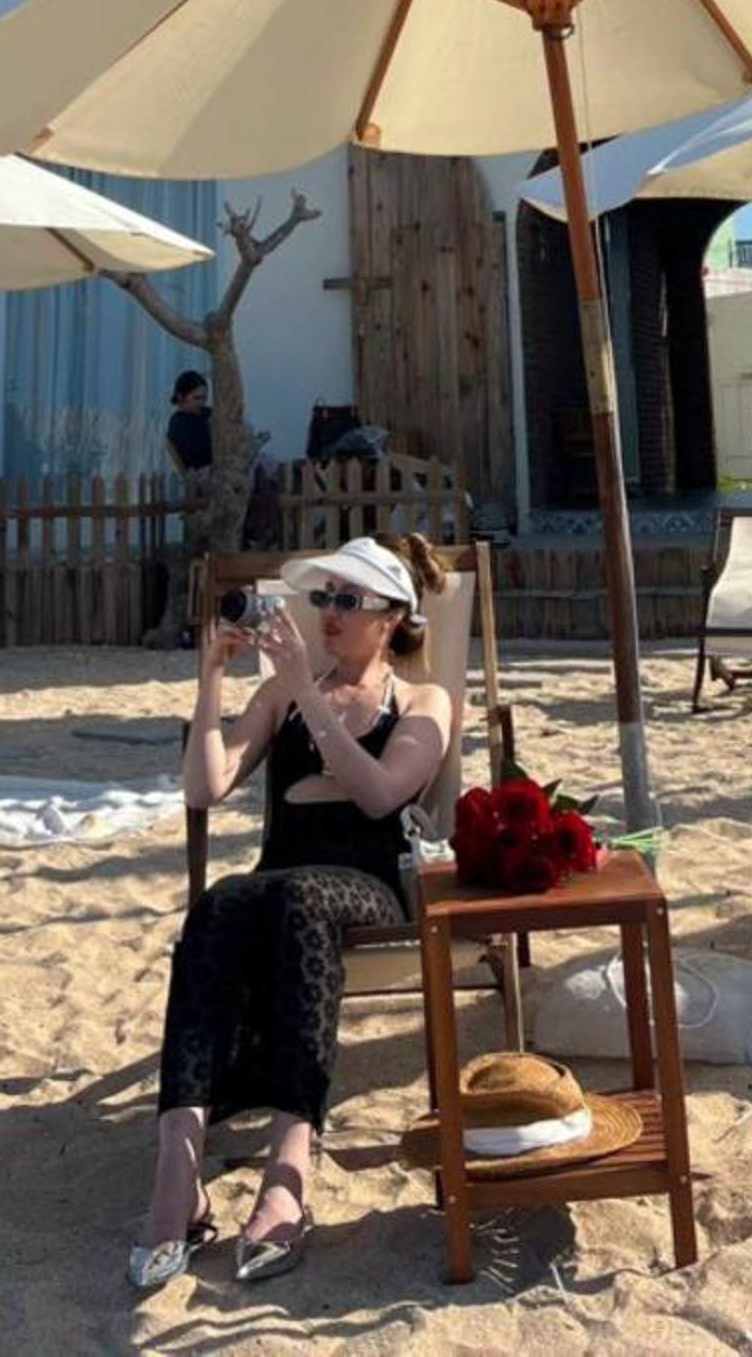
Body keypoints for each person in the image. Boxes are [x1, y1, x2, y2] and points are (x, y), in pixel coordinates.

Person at [131, 534, 452, 1292]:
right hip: (279, 883)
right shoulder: (281, 694)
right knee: (218, 902)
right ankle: (178, 1167)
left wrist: (307, 690)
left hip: (367, 885)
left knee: (297, 898)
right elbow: (205, 788)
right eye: (324, 597)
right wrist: (211, 679)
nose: (330, 611)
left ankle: (289, 1165)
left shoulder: (422, 701)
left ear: (391, 617)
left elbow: (380, 796)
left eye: (348, 599)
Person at [165, 369, 213, 475]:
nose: (201, 402)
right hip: (202, 475)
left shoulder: (207, 413)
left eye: (204, 398)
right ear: (180, 397)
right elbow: (197, 457)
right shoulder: (178, 422)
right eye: (196, 398)